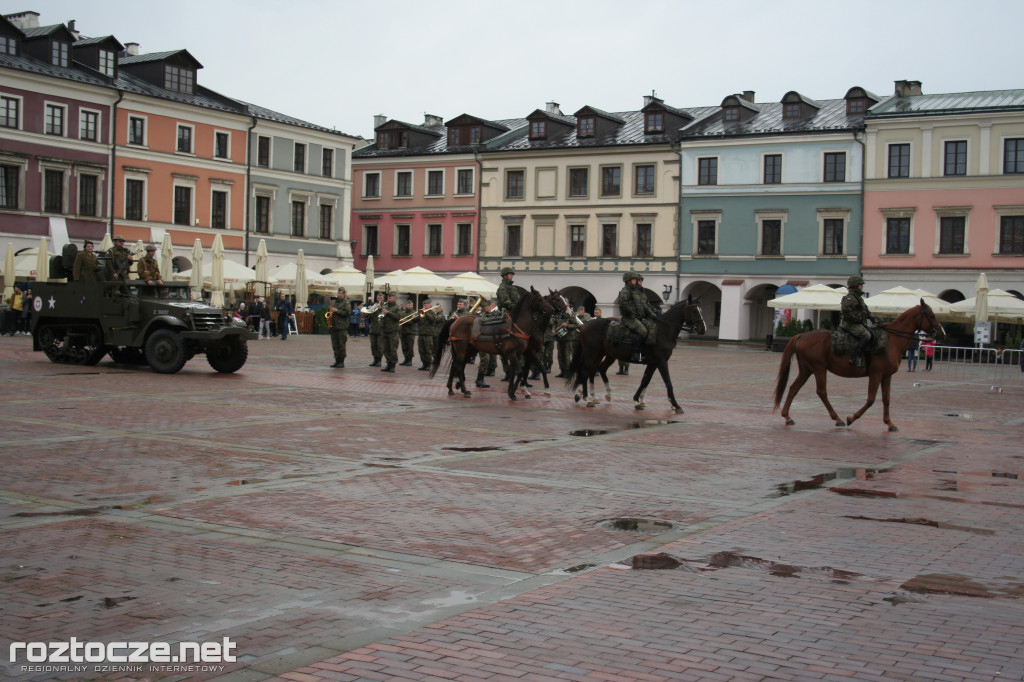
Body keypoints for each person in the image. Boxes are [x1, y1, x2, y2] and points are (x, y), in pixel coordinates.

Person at [617, 271, 658, 363]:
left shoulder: (635, 292)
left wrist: (653, 314)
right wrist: (630, 312)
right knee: (643, 331)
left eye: (636, 279)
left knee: (650, 327)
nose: (636, 280)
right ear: (628, 281)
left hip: (637, 317)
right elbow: (623, 302)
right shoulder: (625, 291)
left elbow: (643, 305)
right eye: (634, 279)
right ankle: (635, 353)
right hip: (629, 318)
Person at [840, 275, 872, 368]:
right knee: (866, 335)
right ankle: (855, 358)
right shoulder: (849, 298)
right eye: (860, 285)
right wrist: (858, 318)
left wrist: (872, 317)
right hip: (850, 324)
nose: (862, 287)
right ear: (855, 286)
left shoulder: (858, 298)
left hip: (858, 324)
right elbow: (846, 313)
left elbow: (865, 310)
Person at [475, 299, 502, 388]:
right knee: (485, 358)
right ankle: (480, 379)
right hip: (481, 340)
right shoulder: (482, 315)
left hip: (489, 340)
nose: (489, 308)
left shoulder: (493, 314)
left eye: (489, 306)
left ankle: (480, 379)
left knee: (487, 358)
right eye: (487, 307)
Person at [328, 287, 352, 368]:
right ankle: (336, 360)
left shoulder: (346, 303)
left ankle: (341, 361)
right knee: (335, 345)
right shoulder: (334, 302)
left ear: (344, 294)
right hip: (334, 326)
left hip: (342, 327)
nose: (338, 294)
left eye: (340, 293)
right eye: (338, 293)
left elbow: (347, 313)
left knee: (341, 345)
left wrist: (336, 311)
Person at [379, 291, 402, 372]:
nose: (389, 299)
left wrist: (388, 313)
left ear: (395, 299)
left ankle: (393, 365)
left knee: (392, 349)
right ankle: (388, 364)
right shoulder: (385, 305)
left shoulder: (397, 307)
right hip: (384, 329)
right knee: (385, 348)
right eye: (388, 298)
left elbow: (398, 317)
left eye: (390, 298)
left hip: (393, 331)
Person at [417, 300, 441, 370]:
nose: (424, 306)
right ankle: (424, 363)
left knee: (428, 350)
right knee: (421, 350)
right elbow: (419, 320)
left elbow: (433, 320)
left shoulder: (432, 312)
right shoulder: (422, 313)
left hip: (428, 334)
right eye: (424, 305)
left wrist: (425, 313)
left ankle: (428, 364)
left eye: (426, 305)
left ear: (430, 306)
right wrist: (415, 317)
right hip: (421, 333)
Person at [365, 292, 385, 366]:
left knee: (380, 346)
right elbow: (368, 315)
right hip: (373, 328)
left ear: (383, 299)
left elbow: (384, 315)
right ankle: (375, 359)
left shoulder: (385, 306)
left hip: (380, 329)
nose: (379, 299)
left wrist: (380, 309)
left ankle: (379, 360)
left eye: (381, 297)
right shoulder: (374, 305)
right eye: (378, 297)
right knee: (373, 346)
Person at [399, 299, 417, 366]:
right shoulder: (403, 313)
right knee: (404, 347)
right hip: (403, 331)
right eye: (409, 305)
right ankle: (406, 359)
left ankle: (410, 360)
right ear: (406, 305)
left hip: (410, 332)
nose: (410, 306)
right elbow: (400, 320)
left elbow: (412, 321)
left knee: (410, 347)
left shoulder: (414, 312)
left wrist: (404, 320)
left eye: (411, 305)